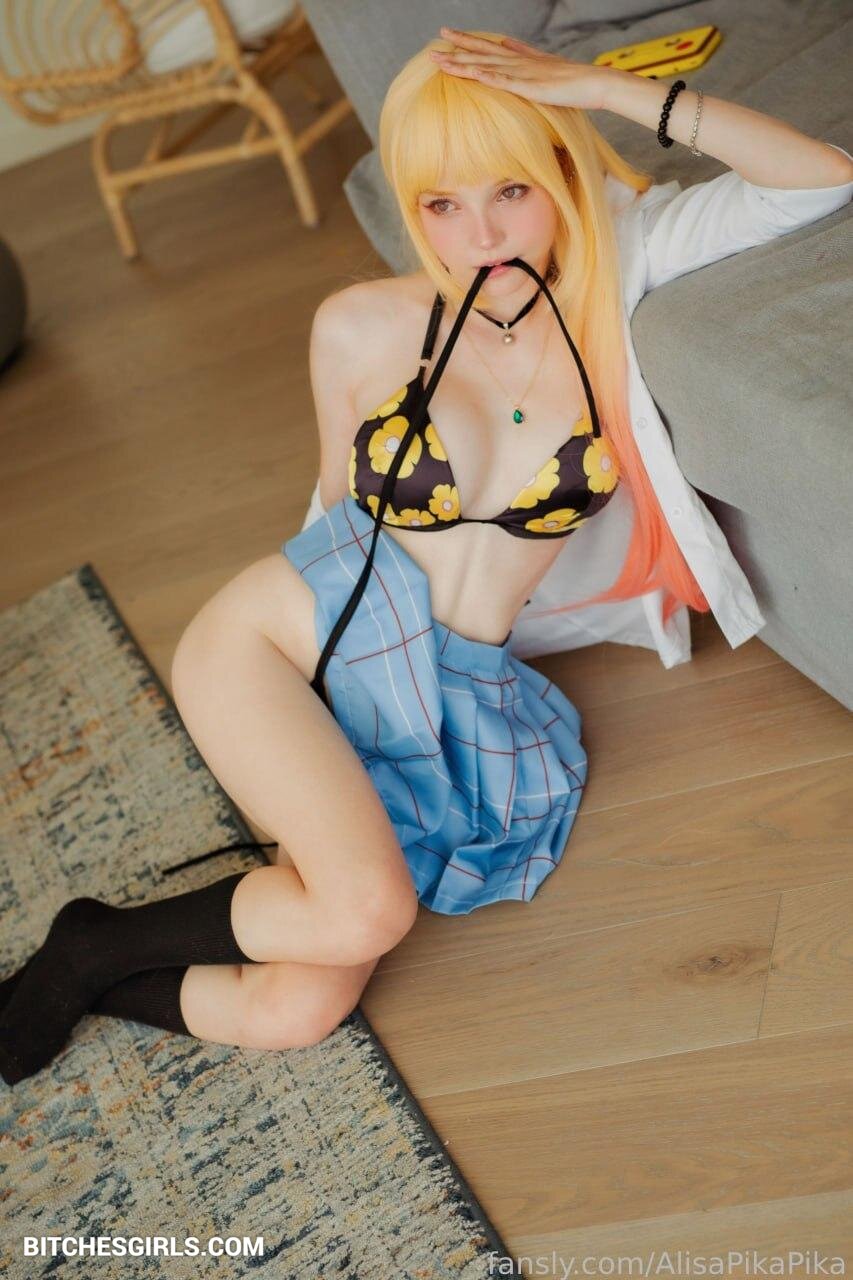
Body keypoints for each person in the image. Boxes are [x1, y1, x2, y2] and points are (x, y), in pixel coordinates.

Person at [1, 28, 851, 1087]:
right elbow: (328, 516)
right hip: (284, 646)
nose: (478, 235)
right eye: (441, 204)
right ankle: (92, 949)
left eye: (509, 191)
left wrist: (600, 89)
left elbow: (819, 177)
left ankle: (93, 951)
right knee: (367, 908)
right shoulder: (360, 325)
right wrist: (315, 735)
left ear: (558, 169)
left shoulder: (619, 267)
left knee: (295, 1010)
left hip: (458, 689)